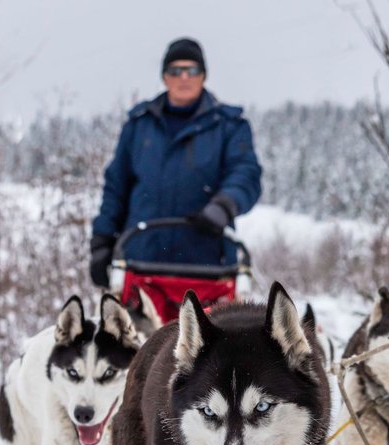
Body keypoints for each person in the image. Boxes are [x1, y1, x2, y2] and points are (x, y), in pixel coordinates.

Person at [88, 37, 263, 289]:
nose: (184, 77)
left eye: (191, 70)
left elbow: (245, 175)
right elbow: (116, 187)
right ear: (164, 76)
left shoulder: (229, 126)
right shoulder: (139, 125)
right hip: (139, 263)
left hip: (207, 267)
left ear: (203, 75)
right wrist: (102, 241)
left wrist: (223, 207)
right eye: (175, 70)